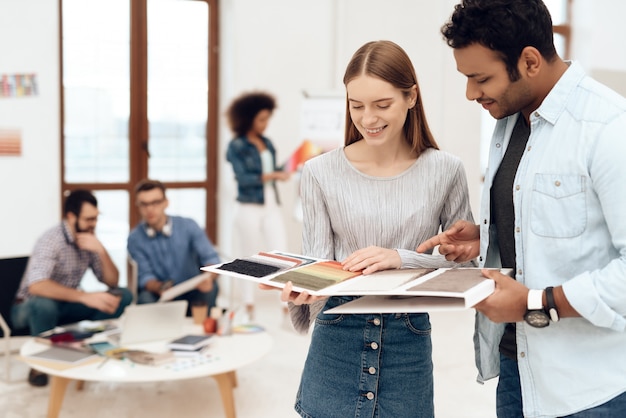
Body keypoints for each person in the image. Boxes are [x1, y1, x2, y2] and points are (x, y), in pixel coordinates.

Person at [417, 1, 626, 416]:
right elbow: (558, 219)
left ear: (529, 61)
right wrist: (489, 233)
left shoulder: (608, 128)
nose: (471, 93)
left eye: (480, 78)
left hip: (589, 389)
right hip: (518, 366)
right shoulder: (510, 121)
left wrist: (535, 302)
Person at [275, 40, 474, 418]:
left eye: (382, 105)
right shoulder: (319, 172)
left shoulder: (446, 170)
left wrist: (402, 258)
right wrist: (303, 291)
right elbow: (320, 264)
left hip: (408, 338)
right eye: (356, 106)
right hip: (336, 333)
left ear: (411, 97)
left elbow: (464, 271)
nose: (368, 119)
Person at [11, 189, 133, 387]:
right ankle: (40, 366)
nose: (93, 224)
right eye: (88, 219)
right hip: (27, 308)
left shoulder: (88, 239)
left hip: (67, 305)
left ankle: (87, 349)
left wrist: (101, 250)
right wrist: (84, 297)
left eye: (95, 218)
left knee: (123, 296)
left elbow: (112, 281)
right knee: (44, 305)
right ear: (71, 216)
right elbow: (37, 286)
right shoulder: (51, 240)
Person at [225, 91, 291, 320]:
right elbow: (243, 178)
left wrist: (283, 171)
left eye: (267, 119)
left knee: (280, 254)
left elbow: (271, 171)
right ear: (248, 118)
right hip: (248, 207)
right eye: (261, 119)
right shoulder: (236, 146)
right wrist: (272, 175)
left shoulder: (267, 143)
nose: (265, 124)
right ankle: (248, 304)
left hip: (271, 205)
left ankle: (285, 305)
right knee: (248, 258)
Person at [127, 179, 220, 314]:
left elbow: (210, 257)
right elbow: (145, 276)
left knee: (212, 287)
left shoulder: (188, 225)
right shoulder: (135, 238)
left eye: (155, 202)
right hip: (161, 293)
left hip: (192, 289)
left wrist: (208, 277)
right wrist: (159, 287)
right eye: (144, 204)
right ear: (138, 206)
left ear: (166, 202)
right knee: (145, 299)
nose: (149, 209)